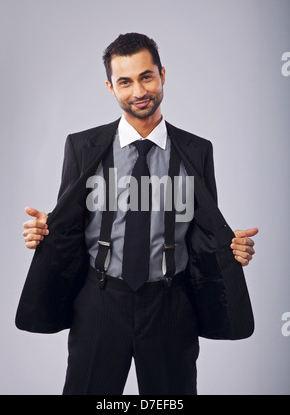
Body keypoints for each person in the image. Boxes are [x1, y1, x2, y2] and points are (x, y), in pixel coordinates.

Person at [17, 33, 258, 395]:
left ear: (162, 74)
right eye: (125, 82)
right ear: (111, 87)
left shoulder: (197, 150)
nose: (138, 91)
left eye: (146, 77)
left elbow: (206, 231)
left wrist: (232, 247)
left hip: (170, 305)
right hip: (99, 302)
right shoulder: (82, 146)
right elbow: (65, 222)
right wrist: (43, 231)